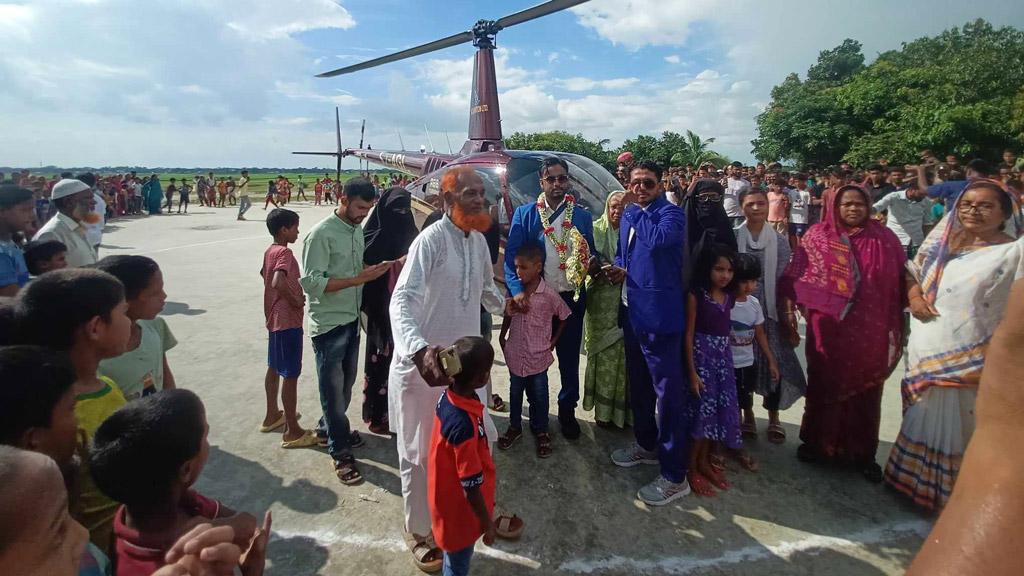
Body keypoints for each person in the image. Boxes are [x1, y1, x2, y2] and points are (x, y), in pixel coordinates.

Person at [388, 166, 521, 571]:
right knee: (420, 454)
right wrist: (419, 350)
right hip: (424, 368)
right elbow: (401, 301)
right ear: (446, 201)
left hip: (465, 373)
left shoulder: (478, 242)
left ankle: (476, 512)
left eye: (482, 193)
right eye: (469, 194)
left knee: (476, 449)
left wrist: (506, 304)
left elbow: (483, 289)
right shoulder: (429, 241)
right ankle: (419, 530)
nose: (479, 200)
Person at [884, 179, 1022, 510]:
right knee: (924, 415)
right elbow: (912, 273)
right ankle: (913, 483)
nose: (973, 211)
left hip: (974, 354)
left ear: (1006, 212)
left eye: (985, 205)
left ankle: (956, 494)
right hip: (929, 344)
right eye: (966, 204)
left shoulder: (1013, 252)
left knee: (963, 421)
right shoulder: (944, 245)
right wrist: (915, 296)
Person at [783, 184, 907, 482]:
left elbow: (903, 280)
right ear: (834, 207)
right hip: (828, 327)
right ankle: (816, 443)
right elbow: (796, 276)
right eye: (846, 204)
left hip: (870, 327)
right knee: (825, 385)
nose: (853, 209)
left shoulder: (885, 239)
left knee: (866, 391)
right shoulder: (817, 236)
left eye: (859, 204)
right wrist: (789, 311)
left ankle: (862, 453)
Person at [89, 389, 267, 576]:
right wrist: (253, 571)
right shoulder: (168, 568)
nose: (207, 444)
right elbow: (245, 525)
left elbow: (245, 521)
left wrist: (228, 525)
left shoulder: (169, 503)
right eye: (205, 437)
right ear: (186, 470)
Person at [15, 268, 131, 551]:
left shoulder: (105, 385)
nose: (130, 323)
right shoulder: (57, 417)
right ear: (95, 328)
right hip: (95, 552)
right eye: (124, 313)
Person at [605, 160, 692, 506]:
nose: (640, 188)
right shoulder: (629, 215)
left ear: (660, 185)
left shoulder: (671, 215)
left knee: (669, 397)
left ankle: (674, 476)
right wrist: (617, 268)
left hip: (660, 317)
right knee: (639, 386)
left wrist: (633, 208)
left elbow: (655, 241)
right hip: (632, 311)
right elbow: (624, 252)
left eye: (648, 184)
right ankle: (646, 444)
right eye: (635, 182)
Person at [300, 178, 390, 485]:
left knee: (345, 386)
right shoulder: (321, 235)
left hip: (350, 320)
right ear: (342, 198)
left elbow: (354, 269)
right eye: (359, 207)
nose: (364, 214)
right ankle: (340, 452)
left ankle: (329, 429)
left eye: (368, 209)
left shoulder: (354, 231)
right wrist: (357, 280)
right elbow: (312, 283)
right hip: (328, 326)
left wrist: (377, 269)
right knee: (333, 393)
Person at [503, 156, 596, 440]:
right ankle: (537, 411)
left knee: (569, 359)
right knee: (531, 356)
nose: (558, 184)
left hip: (570, 299)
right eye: (552, 179)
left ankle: (567, 410)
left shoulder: (581, 215)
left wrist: (592, 262)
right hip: (537, 301)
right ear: (541, 182)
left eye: (562, 178)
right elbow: (511, 259)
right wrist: (517, 291)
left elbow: (589, 252)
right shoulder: (526, 214)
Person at [733, 188, 806, 443]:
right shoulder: (733, 238)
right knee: (743, 365)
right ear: (741, 207)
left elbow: (785, 280)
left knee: (774, 363)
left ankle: (774, 417)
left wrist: (788, 313)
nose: (756, 208)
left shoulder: (780, 241)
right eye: (750, 204)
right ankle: (748, 415)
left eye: (761, 203)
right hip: (740, 313)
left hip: (770, 313)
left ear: (768, 206)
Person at [684, 244, 750, 498]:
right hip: (702, 360)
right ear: (707, 269)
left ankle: (704, 463)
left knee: (715, 416)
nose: (724, 275)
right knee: (701, 415)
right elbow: (689, 335)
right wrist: (692, 372)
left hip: (723, 362)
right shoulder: (697, 296)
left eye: (730, 270)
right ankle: (691, 467)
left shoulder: (730, 297)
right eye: (719, 269)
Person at [427, 336, 497, 576]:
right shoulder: (462, 427)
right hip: (460, 512)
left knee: (453, 556)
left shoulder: (452, 396)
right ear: (482, 378)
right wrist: (487, 524)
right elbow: (470, 486)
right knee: (457, 565)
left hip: (446, 500)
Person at [497, 242, 571, 458]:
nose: (519, 272)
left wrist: (553, 341)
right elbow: (508, 313)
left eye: (524, 267)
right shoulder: (515, 291)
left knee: (539, 395)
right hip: (515, 354)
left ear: (538, 267)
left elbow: (564, 316)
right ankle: (514, 427)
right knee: (515, 392)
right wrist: (502, 336)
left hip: (538, 357)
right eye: (517, 267)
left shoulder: (548, 295)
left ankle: (541, 430)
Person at [361, 187, 418, 435]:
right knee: (380, 362)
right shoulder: (371, 236)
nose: (402, 214)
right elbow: (363, 267)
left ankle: (402, 414)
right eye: (396, 209)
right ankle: (377, 415)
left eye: (405, 208)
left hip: (405, 313)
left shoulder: (413, 235)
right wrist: (393, 265)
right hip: (380, 313)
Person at [260, 208, 314, 448]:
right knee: (290, 375)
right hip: (287, 321)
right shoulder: (284, 253)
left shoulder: (269, 251)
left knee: (274, 366)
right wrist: (296, 299)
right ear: (284, 229)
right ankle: (293, 430)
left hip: (273, 319)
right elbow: (277, 280)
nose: (298, 231)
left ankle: (272, 414)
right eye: (295, 227)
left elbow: (265, 274)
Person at [95, 256, 177, 401]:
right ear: (124, 301)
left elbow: (165, 375)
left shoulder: (155, 326)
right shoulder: (97, 356)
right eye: (154, 293)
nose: (164, 296)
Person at [582, 191, 631, 428]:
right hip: (599, 302)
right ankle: (602, 413)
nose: (616, 212)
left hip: (625, 302)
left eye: (622, 209)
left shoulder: (635, 233)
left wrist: (626, 273)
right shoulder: (594, 230)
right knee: (601, 355)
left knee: (623, 358)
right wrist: (595, 268)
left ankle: (620, 413)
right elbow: (583, 259)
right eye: (613, 207)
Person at [730, 253, 780, 447]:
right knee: (731, 397)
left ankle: (748, 416)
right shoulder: (726, 304)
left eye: (753, 281)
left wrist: (771, 360)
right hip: (728, 362)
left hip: (747, 361)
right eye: (745, 281)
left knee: (745, 393)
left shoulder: (754, 305)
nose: (749, 286)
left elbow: (759, 334)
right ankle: (736, 424)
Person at [33, 179, 97, 267]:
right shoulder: (51, 234)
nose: (94, 202)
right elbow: (51, 276)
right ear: (68, 202)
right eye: (88, 198)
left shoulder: (78, 226)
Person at [873, 182, 934, 259]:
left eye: (925, 194)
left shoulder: (926, 201)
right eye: (921, 194)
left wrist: (927, 243)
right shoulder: (893, 197)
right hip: (896, 242)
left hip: (916, 243)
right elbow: (876, 208)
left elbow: (927, 223)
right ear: (912, 190)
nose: (923, 197)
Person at [0, 185, 35, 295]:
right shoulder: (2, 254)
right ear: (2, 211)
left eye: (32, 209)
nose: (32, 216)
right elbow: (11, 300)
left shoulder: (10, 243)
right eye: (25, 210)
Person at [787, 174, 811, 244]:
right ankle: (794, 251)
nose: (797, 183)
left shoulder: (807, 192)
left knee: (799, 236)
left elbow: (810, 204)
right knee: (792, 235)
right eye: (795, 181)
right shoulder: (791, 192)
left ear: (803, 182)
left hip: (802, 219)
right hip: (792, 218)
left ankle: (800, 251)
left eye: (798, 181)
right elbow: (790, 204)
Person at [724, 162, 750, 227]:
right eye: (736, 169)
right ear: (732, 170)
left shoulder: (746, 183)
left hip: (740, 215)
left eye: (740, 169)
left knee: (738, 235)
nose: (738, 171)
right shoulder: (724, 181)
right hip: (726, 214)